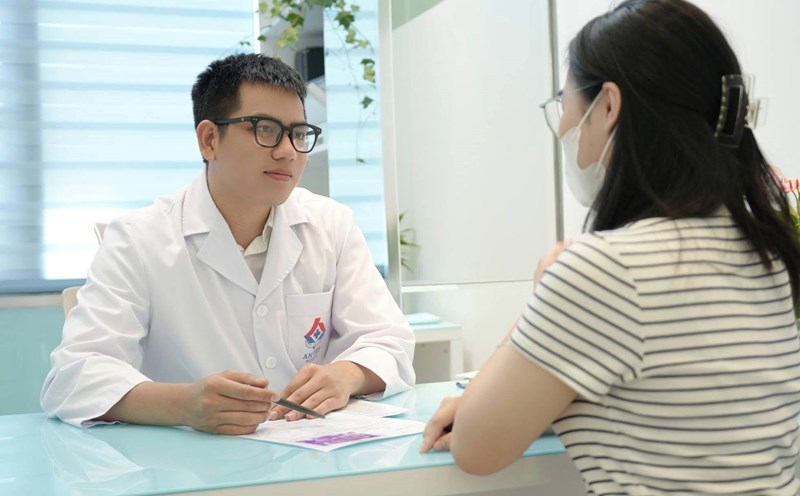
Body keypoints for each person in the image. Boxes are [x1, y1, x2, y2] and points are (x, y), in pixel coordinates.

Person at [420, 0, 800, 493]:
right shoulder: (768, 249)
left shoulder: (607, 269)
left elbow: (476, 448)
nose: (562, 126)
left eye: (564, 103)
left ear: (608, 107)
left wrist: (546, 292)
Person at [40, 53, 415, 435]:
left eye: (298, 133)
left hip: (311, 450)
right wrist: (184, 405)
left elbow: (388, 340)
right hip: (188, 460)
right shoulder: (137, 240)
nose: (288, 150)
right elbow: (74, 376)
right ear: (209, 140)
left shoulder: (331, 225)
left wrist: (346, 375)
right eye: (265, 129)